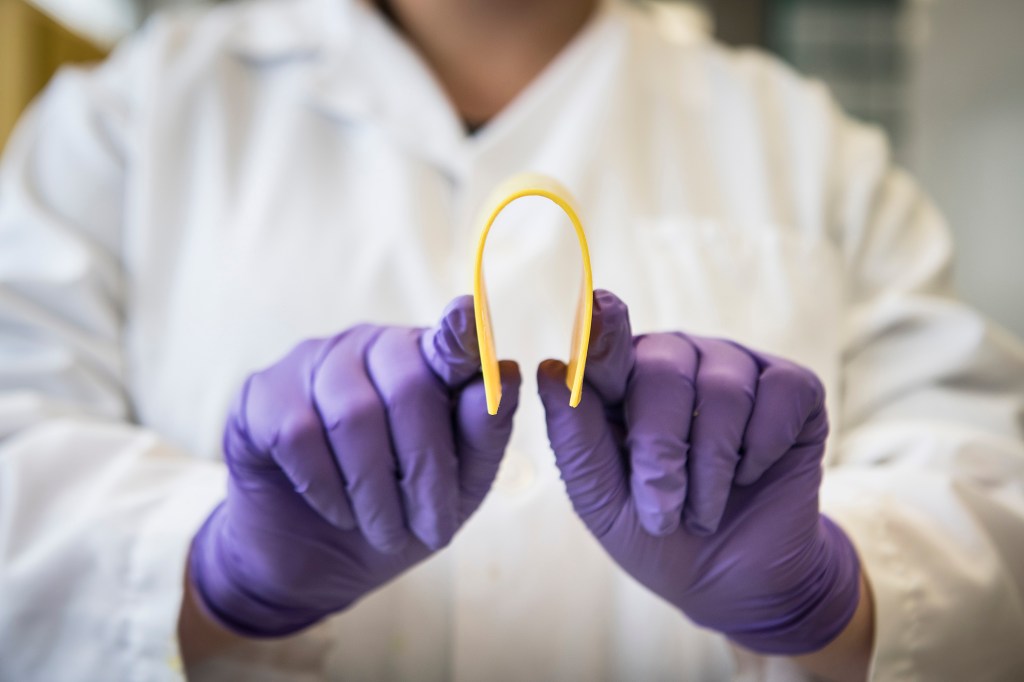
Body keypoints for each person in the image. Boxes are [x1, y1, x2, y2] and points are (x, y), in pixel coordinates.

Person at [1, 0, 1022, 679]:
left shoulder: (810, 147)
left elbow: (991, 494)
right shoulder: (126, 127)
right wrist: (202, 567)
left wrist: (839, 589)